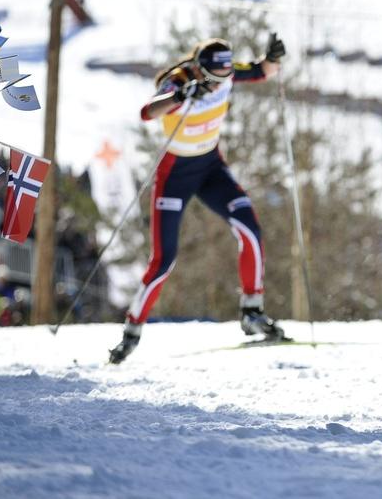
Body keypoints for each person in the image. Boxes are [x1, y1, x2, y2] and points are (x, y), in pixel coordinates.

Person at [108, 32, 288, 364]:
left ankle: (252, 310)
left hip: (210, 168)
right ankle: (131, 331)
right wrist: (181, 97)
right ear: (202, 72)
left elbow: (264, 71)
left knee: (250, 229)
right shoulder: (180, 79)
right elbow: (148, 112)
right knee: (164, 260)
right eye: (216, 78)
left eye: (227, 76)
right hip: (175, 176)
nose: (223, 82)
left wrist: (274, 58)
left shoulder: (227, 71)